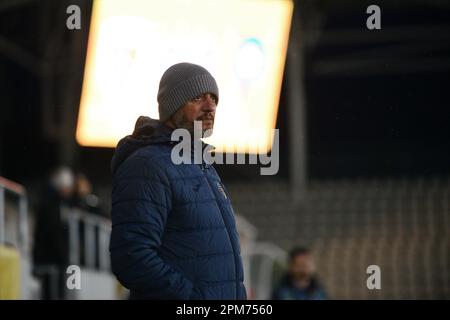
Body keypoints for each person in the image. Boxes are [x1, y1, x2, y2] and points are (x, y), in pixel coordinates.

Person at [109, 62, 246, 300]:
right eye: (197, 98)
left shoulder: (203, 166)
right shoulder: (147, 165)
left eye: (213, 98)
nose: (210, 106)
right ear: (172, 106)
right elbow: (131, 257)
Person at [33, 166, 75, 299]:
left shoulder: (52, 202)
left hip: (48, 260)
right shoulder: (52, 205)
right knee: (54, 294)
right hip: (52, 262)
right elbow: (54, 233)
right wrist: (63, 258)